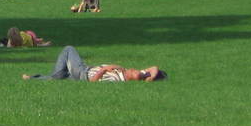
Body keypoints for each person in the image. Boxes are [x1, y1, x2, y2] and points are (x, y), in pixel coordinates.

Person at [22, 45, 166, 82]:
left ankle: (55, 76)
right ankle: (32, 78)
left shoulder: (116, 79)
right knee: (61, 79)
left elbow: (93, 81)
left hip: (84, 72)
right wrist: (150, 76)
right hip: (83, 71)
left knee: (68, 49)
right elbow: (154, 68)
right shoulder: (136, 75)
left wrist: (106, 69)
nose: (135, 69)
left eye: (135, 72)